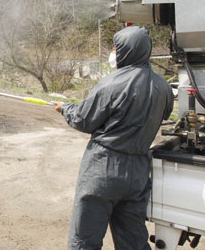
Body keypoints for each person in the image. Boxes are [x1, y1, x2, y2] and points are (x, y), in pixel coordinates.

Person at [53, 25, 173, 250]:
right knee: (133, 238)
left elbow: (84, 120)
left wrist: (66, 108)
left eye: (116, 49)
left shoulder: (112, 83)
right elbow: (162, 116)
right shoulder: (163, 87)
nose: (113, 54)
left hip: (104, 168)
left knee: (85, 238)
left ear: (126, 50)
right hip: (137, 171)